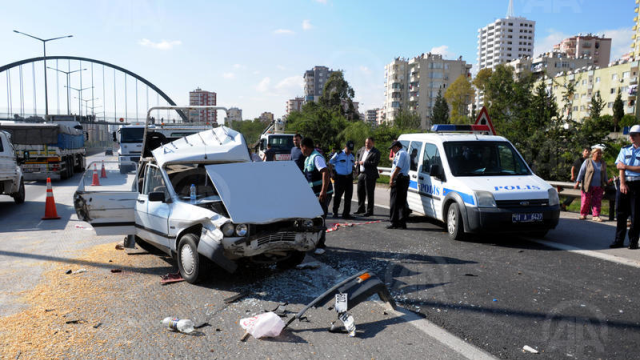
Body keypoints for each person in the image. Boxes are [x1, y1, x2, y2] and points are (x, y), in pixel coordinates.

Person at [301, 137, 333, 254]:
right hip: (314, 194)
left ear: (304, 147)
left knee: (320, 218)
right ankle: (313, 241)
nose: (301, 150)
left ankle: (321, 245)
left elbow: (325, 172)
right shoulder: (308, 158)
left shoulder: (316, 157)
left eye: (301, 148)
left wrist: (323, 191)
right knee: (313, 218)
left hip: (322, 193)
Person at [612, 124, 640, 249]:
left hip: (637, 184)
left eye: (634, 135)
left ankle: (633, 241)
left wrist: (626, 166)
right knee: (621, 213)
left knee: (636, 215)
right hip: (624, 182)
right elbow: (619, 167)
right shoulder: (625, 149)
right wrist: (622, 183)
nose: (631, 138)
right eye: (630, 135)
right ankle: (618, 240)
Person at [574, 147, 607, 222]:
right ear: (593, 154)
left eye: (600, 153)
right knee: (585, 200)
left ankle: (596, 215)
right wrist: (577, 182)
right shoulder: (587, 161)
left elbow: (605, 173)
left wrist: (606, 181)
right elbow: (581, 172)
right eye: (597, 153)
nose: (599, 155)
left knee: (597, 201)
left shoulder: (602, 163)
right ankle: (583, 214)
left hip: (599, 186)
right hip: (587, 186)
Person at [354, 137, 381, 217]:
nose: (367, 144)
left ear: (373, 143)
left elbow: (374, 163)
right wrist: (357, 162)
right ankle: (361, 208)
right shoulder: (362, 149)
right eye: (366, 143)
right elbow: (358, 155)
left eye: (369, 143)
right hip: (361, 173)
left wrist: (364, 163)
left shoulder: (376, 152)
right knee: (360, 192)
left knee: (369, 193)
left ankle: (370, 210)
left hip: (370, 174)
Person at [330, 140, 356, 219]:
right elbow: (330, 162)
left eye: (351, 150)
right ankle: (335, 212)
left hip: (349, 178)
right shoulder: (338, 154)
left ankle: (346, 214)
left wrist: (355, 171)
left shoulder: (352, 155)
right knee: (338, 196)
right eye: (348, 149)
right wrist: (331, 173)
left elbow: (352, 164)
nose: (349, 151)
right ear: (345, 147)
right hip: (340, 178)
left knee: (348, 196)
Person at [388, 140, 410, 229]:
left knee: (394, 201)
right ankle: (402, 222)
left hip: (399, 179)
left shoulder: (401, 154)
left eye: (393, 148)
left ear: (397, 147)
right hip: (404, 178)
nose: (392, 150)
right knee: (401, 202)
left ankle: (394, 222)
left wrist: (392, 178)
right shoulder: (405, 153)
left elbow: (398, 167)